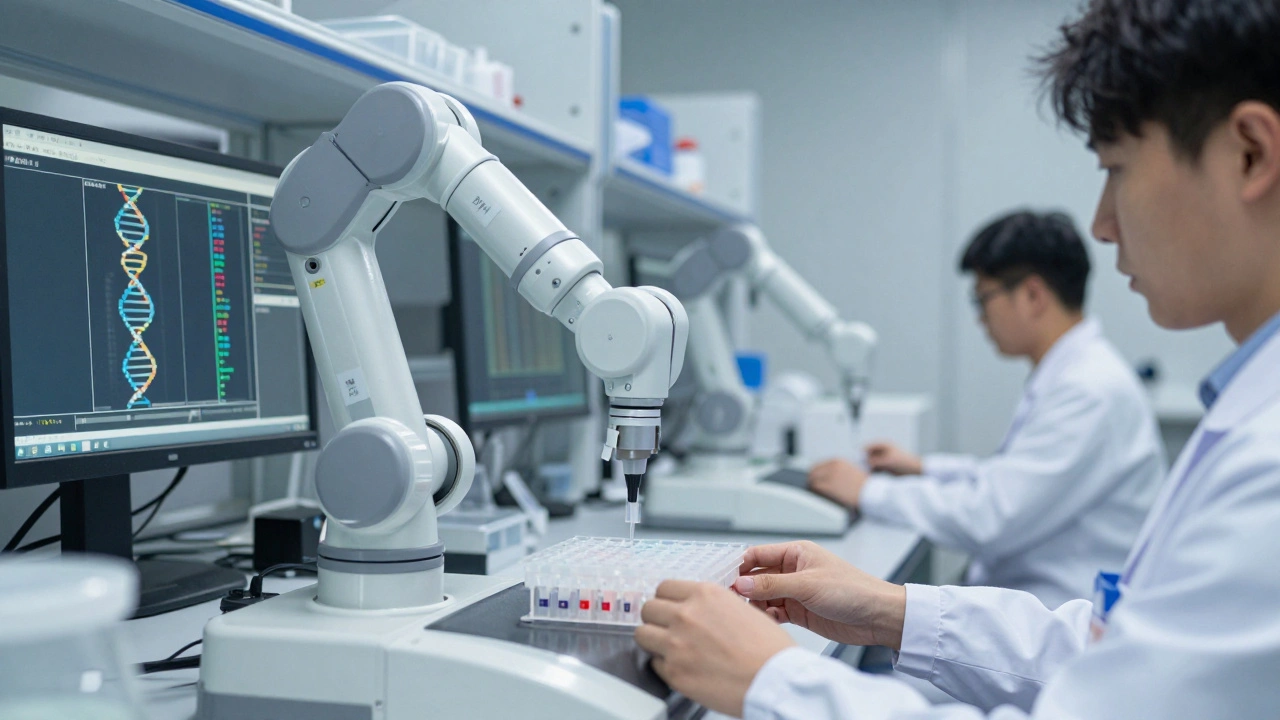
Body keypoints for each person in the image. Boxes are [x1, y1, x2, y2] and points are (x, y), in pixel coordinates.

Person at [634, 0, 1280, 717]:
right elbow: (1109, 646)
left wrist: (773, 681)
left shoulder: (1260, 458)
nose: (1102, 222)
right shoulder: (1244, 411)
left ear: (1249, 152)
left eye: (1117, 169)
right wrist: (890, 609)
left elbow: (1002, 517)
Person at [807, 211, 1165, 608]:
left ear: (1032, 295)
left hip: (1056, 621)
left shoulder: (1088, 391)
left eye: (983, 298)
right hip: (1034, 603)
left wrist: (868, 492)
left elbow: (990, 518)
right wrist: (924, 469)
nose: (980, 318)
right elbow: (1012, 478)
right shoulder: (1074, 375)